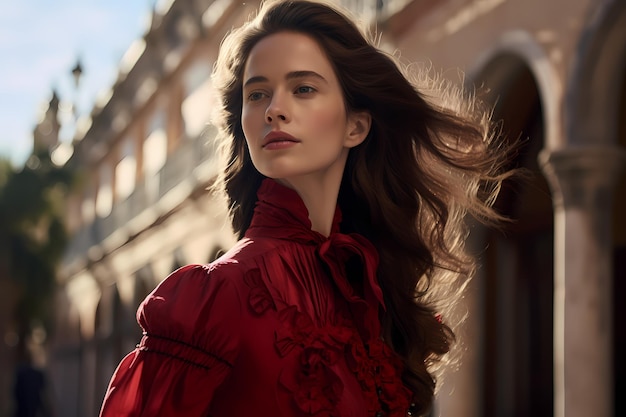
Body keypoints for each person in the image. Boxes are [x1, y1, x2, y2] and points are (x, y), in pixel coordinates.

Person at [99, 1, 512, 416]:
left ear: (356, 125)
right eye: (257, 93)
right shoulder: (215, 295)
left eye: (303, 88)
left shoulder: (367, 290)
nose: (274, 108)